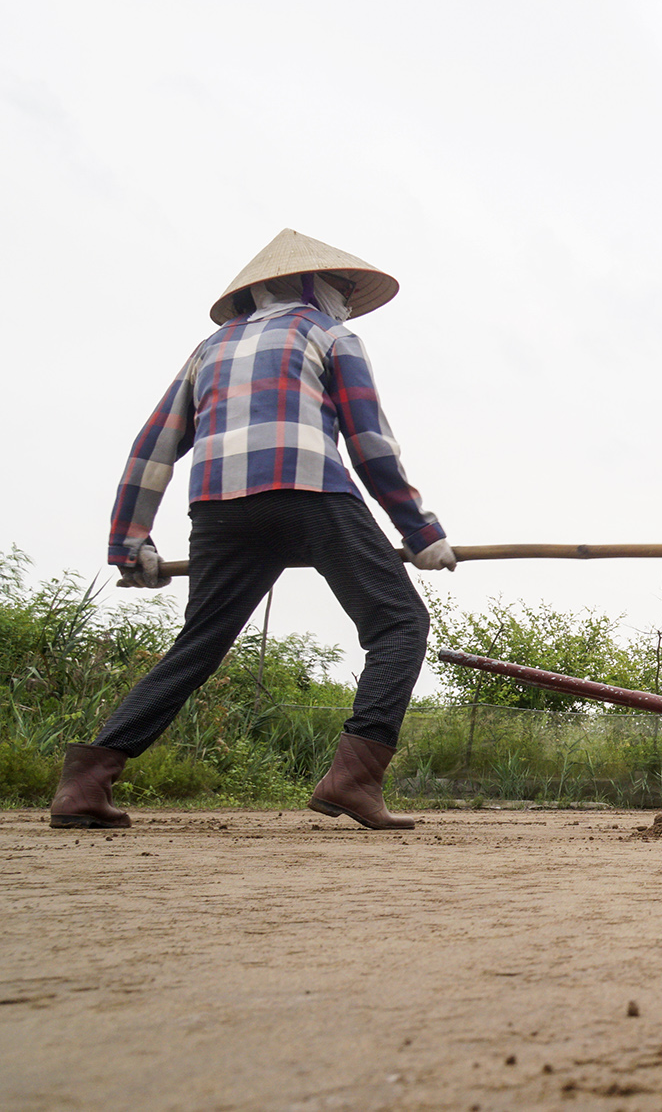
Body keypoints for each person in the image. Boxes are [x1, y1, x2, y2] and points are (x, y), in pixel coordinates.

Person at [49, 229, 456, 831]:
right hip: (308, 490)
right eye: (341, 286)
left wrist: (130, 542)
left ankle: (84, 784)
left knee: (200, 644)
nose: (345, 297)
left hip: (219, 508)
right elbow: (370, 446)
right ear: (309, 285)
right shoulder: (331, 335)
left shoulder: (207, 350)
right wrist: (421, 533)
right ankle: (354, 778)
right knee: (398, 623)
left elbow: (152, 447)